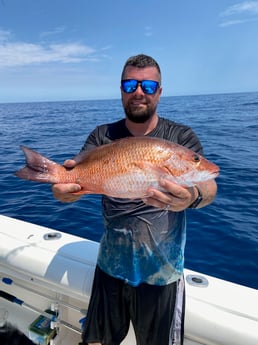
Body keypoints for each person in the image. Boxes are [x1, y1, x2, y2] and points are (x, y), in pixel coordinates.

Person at [52, 54, 217, 345]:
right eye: (130, 84)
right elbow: (74, 180)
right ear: (121, 90)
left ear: (159, 91)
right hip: (109, 268)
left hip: (161, 275)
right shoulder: (102, 135)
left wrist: (190, 197)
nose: (138, 92)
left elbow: (208, 186)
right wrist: (61, 190)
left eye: (148, 86)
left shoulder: (179, 137)